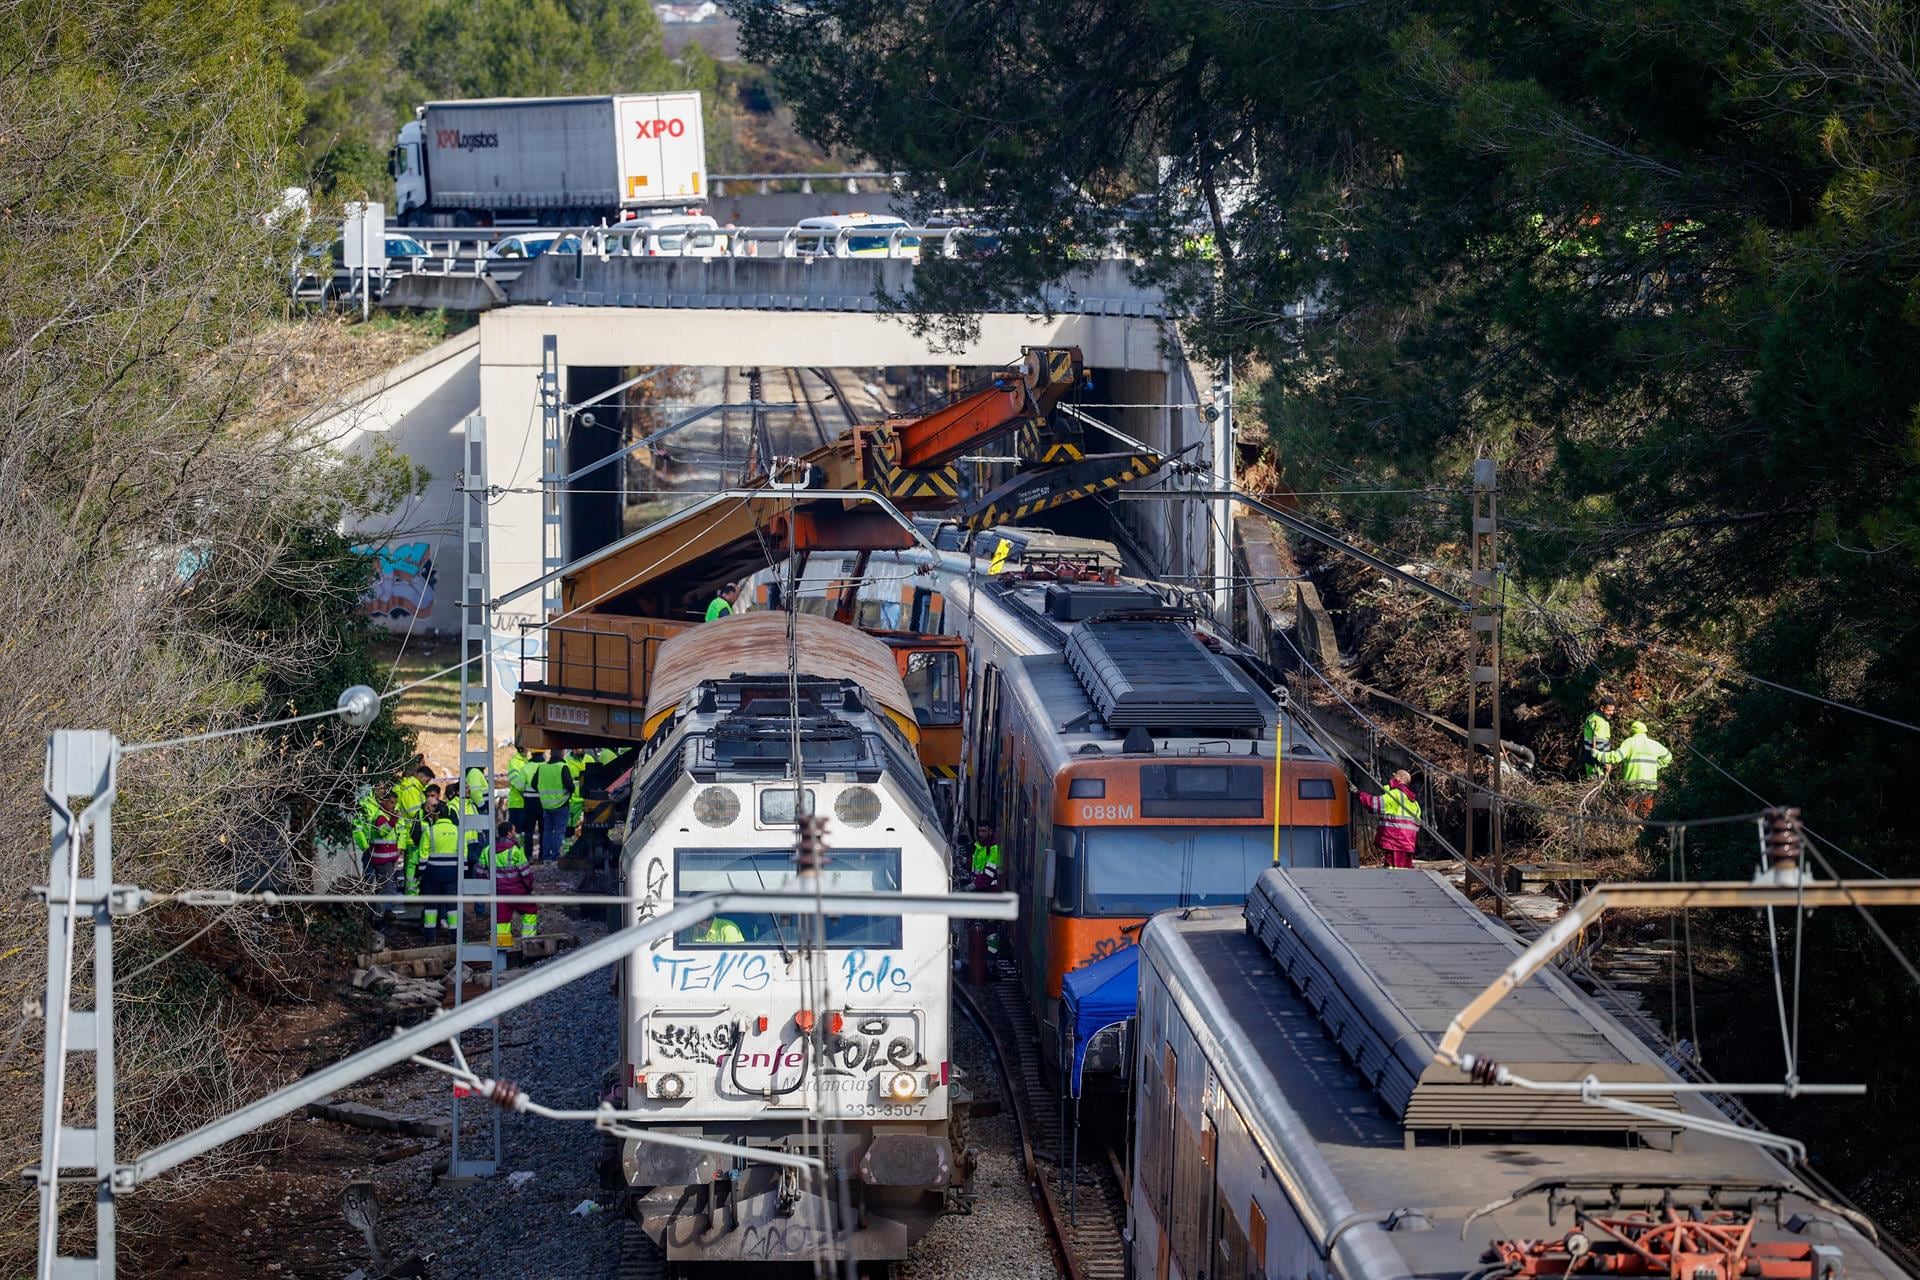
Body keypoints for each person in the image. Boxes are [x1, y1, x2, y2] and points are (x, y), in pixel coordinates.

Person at [481, 821, 536, 947]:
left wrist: (487, 888)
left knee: (502, 919)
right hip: (517, 891)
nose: (515, 833)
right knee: (530, 911)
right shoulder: (516, 850)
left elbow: (480, 871)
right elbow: (525, 873)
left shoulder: (488, 850)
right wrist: (529, 888)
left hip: (498, 892)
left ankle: (501, 947)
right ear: (509, 833)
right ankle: (528, 941)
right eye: (514, 830)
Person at [1602, 721, 1673, 817]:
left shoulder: (1630, 742)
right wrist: (1657, 766)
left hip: (1633, 784)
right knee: (1647, 812)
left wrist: (1598, 755)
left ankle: (1632, 829)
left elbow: (1616, 757)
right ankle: (1646, 829)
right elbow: (1668, 757)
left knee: (1631, 813)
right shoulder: (1655, 744)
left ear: (1632, 732)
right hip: (1650, 785)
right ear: (1645, 731)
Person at [418, 800, 464, 944]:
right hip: (452, 873)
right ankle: (455, 937)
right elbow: (464, 852)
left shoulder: (430, 831)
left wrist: (421, 872)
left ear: (436, 815)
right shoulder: (458, 830)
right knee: (452, 907)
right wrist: (463, 871)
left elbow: (423, 854)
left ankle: (430, 938)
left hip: (433, 874)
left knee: (431, 907)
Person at [1355, 770, 1421, 869]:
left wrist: (1358, 793)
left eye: (1395, 776)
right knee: (1406, 870)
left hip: (1395, 841)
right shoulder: (1414, 802)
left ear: (1400, 779)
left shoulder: (1396, 795)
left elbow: (1374, 804)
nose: (1392, 778)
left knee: (1394, 872)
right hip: (1408, 844)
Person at [531, 749, 573, 864]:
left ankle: (546, 857)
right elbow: (570, 786)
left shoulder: (542, 768)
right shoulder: (562, 767)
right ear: (561, 753)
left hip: (546, 805)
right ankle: (555, 857)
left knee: (547, 831)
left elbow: (533, 784)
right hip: (561, 804)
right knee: (559, 831)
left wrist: (544, 793)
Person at [1581, 697, 1617, 779]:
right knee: (1600, 786)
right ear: (1602, 708)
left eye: (1613, 710)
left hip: (1589, 759)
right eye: (1609, 710)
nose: (1611, 713)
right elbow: (1600, 744)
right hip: (1598, 764)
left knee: (1591, 784)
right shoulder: (1600, 722)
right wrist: (1607, 762)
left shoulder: (1591, 717)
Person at [505, 744, 530, 855]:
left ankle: (522, 855)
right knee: (516, 833)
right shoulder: (514, 762)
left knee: (524, 833)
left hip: (525, 803)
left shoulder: (527, 761)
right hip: (517, 804)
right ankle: (515, 854)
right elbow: (517, 784)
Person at [970, 824, 1002, 891]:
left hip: (988, 890)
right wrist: (964, 861)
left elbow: (988, 875)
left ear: (990, 832)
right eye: (979, 831)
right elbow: (976, 862)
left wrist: (973, 885)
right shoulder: (980, 845)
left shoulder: (994, 849)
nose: (980, 834)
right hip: (979, 887)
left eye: (984, 831)